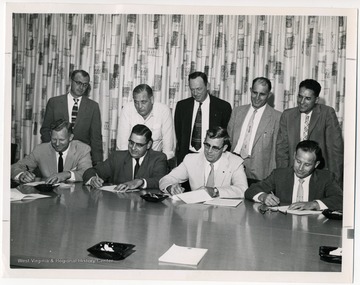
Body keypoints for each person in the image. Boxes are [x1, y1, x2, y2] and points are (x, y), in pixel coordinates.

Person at [276, 79, 343, 183]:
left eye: (307, 98)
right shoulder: (287, 115)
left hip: (319, 176)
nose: (301, 102)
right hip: (293, 174)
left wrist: (336, 181)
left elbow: (335, 150)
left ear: (316, 100)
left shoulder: (327, 113)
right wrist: (283, 178)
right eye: (300, 96)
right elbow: (281, 151)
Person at [245, 140, 343, 211]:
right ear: (294, 156)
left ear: (316, 164)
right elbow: (250, 191)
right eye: (298, 161)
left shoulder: (326, 177)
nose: (300, 168)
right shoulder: (279, 175)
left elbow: (340, 200)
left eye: (307, 164)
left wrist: (314, 204)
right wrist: (263, 196)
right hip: (283, 226)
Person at [159, 127, 248, 198]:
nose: (209, 151)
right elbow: (165, 180)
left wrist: (215, 191)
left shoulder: (235, 162)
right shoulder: (191, 160)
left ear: (224, 148)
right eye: (207, 145)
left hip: (224, 214)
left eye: (215, 148)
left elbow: (242, 189)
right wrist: (170, 188)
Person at [40, 70, 103, 165]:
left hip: (81, 158)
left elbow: (96, 138)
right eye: (78, 83)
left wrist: (98, 163)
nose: (81, 87)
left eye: (85, 85)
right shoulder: (54, 103)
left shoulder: (93, 107)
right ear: (71, 81)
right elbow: (45, 130)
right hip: (56, 156)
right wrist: (54, 150)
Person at [227, 77, 281, 185]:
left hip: (259, 171)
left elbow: (276, 152)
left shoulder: (277, 117)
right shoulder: (237, 111)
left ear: (269, 95)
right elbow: (228, 140)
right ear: (250, 90)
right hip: (234, 166)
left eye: (262, 94)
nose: (257, 98)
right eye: (254, 92)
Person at [83, 124, 167, 191]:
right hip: (121, 207)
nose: (133, 148)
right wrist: (93, 179)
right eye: (131, 143)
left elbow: (161, 180)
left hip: (147, 208)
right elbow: (91, 171)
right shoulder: (117, 157)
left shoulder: (158, 158)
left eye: (139, 145)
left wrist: (140, 182)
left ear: (148, 145)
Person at [174, 71, 232, 165]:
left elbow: (226, 137)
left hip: (212, 158)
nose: (195, 93)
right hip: (187, 157)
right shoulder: (182, 106)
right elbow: (179, 135)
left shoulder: (223, 107)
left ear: (207, 86)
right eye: (192, 89)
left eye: (199, 89)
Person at [11, 119, 92, 184]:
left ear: (70, 137)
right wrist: (21, 175)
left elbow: (87, 173)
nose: (57, 144)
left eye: (61, 140)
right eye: (54, 139)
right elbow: (15, 167)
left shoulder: (82, 149)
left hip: (73, 198)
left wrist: (67, 174)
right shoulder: (41, 150)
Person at [116, 84, 175, 161]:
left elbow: (168, 150)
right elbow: (122, 147)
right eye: (136, 102)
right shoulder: (127, 110)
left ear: (152, 99)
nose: (139, 106)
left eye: (143, 102)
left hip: (155, 161)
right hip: (131, 160)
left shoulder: (163, 111)